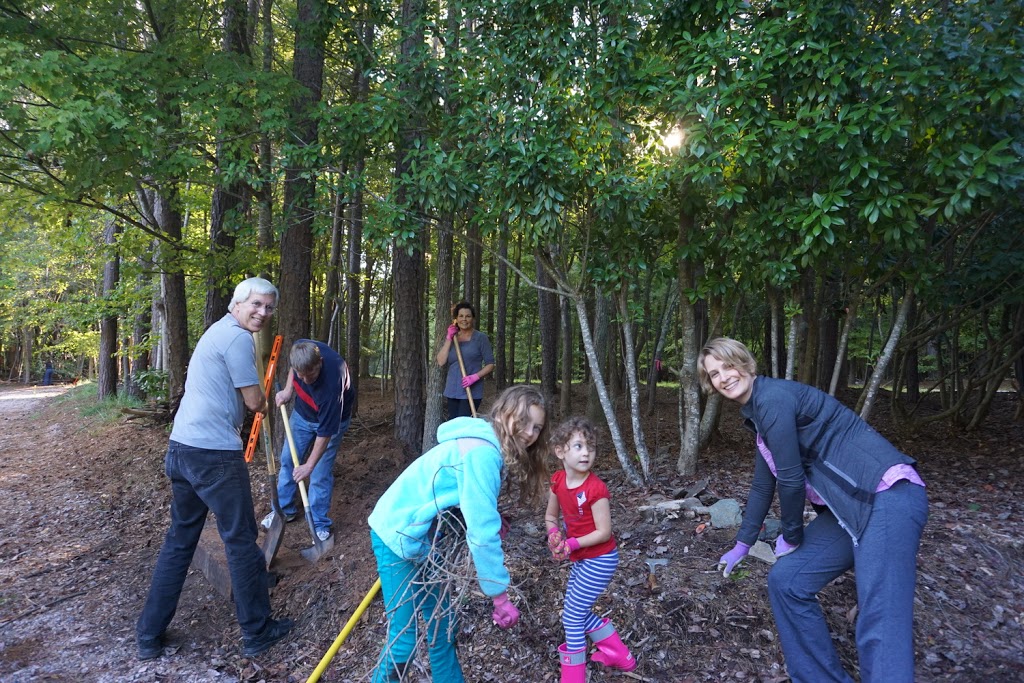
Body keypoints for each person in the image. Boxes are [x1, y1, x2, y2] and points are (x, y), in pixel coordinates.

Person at [699, 337, 928, 683]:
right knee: (787, 581)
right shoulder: (761, 413)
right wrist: (742, 544)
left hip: (887, 495)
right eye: (714, 374)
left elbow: (790, 479)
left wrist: (792, 535)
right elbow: (765, 484)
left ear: (744, 362)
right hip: (850, 508)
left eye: (727, 365)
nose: (724, 377)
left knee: (879, 619)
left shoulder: (773, 398)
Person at [136, 277, 292, 660]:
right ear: (238, 303)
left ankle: (148, 636)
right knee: (240, 540)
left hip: (182, 448)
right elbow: (254, 400)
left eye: (269, 307)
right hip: (213, 455)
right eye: (256, 304)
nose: (262, 313)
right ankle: (257, 631)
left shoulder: (217, 331)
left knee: (180, 539)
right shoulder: (237, 338)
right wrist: (266, 401)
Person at [367, 385, 549, 682]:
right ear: (503, 413)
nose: (529, 433)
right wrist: (499, 596)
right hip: (398, 533)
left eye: (537, 427)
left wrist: (490, 514)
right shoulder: (483, 455)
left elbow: (466, 498)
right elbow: (482, 534)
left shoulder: (487, 446)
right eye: (524, 420)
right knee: (404, 639)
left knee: (443, 625)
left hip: (424, 539)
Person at [544, 417, 636, 682]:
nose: (586, 452)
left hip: (601, 558)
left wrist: (571, 543)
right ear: (560, 451)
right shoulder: (557, 481)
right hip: (582, 558)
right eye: (578, 446)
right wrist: (554, 535)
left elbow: (603, 532)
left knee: (571, 617)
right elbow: (551, 517)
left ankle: (574, 676)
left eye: (591, 447)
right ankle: (620, 655)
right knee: (577, 613)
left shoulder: (596, 488)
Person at [261, 339, 353, 542]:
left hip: (331, 421)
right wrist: (287, 391)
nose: (305, 379)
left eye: (310, 374)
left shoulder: (332, 383)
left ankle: (319, 524)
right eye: (300, 374)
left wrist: (309, 466)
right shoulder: (301, 352)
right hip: (302, 415)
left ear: (319, 362)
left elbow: (326, 433)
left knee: (320, 472)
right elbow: (295, 371)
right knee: (287, 459)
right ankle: (283, 511)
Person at [435, 301, 495, 419]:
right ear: (456, 319)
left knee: (464, 426)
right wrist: (448, 338)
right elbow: (441, 361)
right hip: (452, 390)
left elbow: (490, 364)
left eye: (468, 316)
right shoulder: (453, 339)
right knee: (454, 424)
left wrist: (475, 377)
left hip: (471, 392)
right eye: (461, 316)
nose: (464, 319)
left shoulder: (480, 338)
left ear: (472, 318)